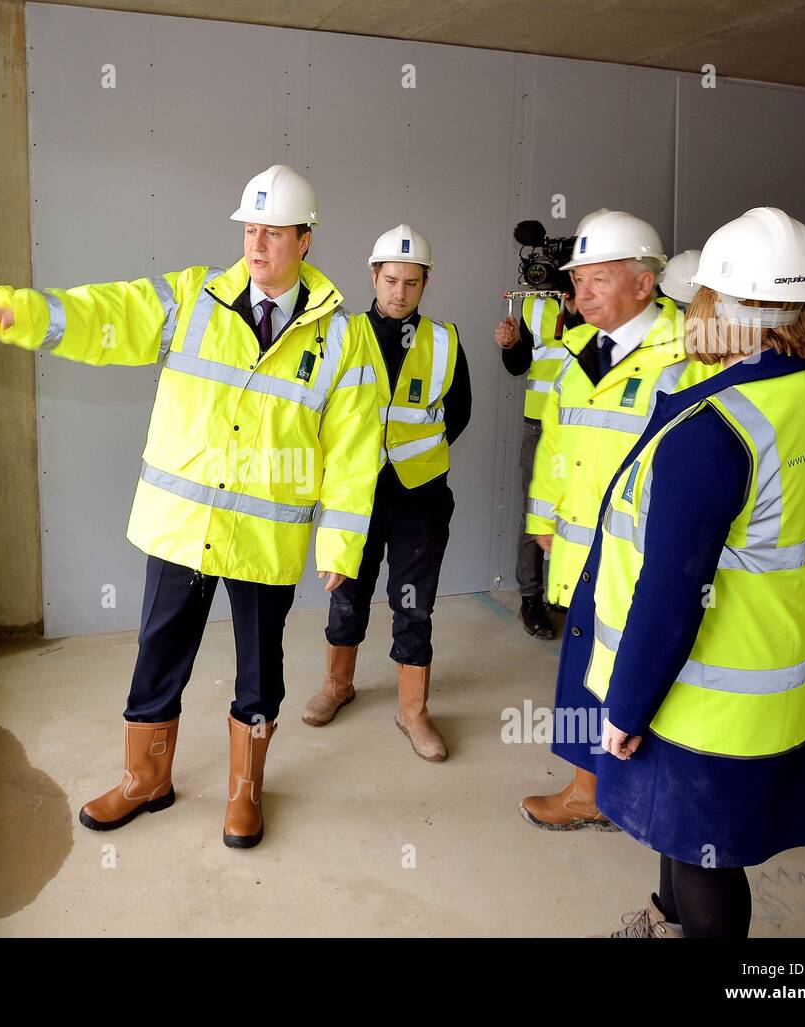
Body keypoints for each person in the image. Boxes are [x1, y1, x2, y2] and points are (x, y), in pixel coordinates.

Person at [0, 165, 383, 848]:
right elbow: (108, 314)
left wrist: (340, 545)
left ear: (306, 241)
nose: (257, 244)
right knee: (158, 653)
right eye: (250, 230)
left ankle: (246, 791)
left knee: (259, 668)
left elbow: (356, 450)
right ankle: (145, 779)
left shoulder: (345, 337)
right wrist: (23, 315)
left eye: (273, 233)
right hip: (183, 525)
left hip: (265, 538)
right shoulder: (194, 297)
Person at [546, 207, 805, 937]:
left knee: (702, 857)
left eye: (701, 299)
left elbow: (673, 587)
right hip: (784, 676)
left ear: (722, 305)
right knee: (681, 835)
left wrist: (625, 705)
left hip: (703, 693)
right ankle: (664, 924)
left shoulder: (716, 429)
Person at [519, 210, 719, 831]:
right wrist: (542, 518)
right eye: (577, 280)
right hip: (582, 545)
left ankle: (641, 794)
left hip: (648, 552)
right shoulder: (576, 351)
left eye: (598, 279)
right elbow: (556, 444)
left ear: (643, 282)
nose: (580, 293)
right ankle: (589, 788)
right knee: (585, 666)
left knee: (644, 667)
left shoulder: (688, 352)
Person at [302, 225, 471, 762]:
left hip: (419, 496)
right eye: (391, 280)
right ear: (373, 276)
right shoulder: (342, 334)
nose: (400, 292)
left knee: (413, 603)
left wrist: (407, 455)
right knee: (347, 592)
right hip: (356, 494)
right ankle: (337, 686)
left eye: (412, 283)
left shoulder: (444, 340)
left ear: (425, 284)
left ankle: (413, 710)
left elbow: (457, 414)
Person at [493, 209, 609, 638]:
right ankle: (531, 598)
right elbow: (519, 365)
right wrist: (509, 345)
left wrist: (577, 310)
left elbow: (600, 355)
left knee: (592, 510)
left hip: (595, 424)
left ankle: (576, 594)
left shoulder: (602, 304)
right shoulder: (532, 306)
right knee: (535, 511)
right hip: (539, 426)